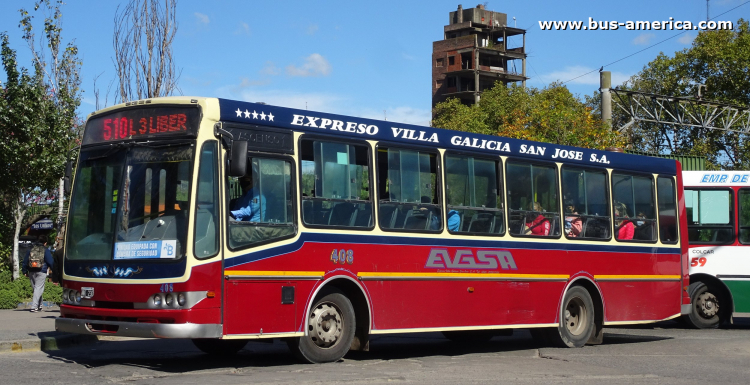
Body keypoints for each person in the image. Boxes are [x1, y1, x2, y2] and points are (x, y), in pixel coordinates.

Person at [22, 235, 54, 313]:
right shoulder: (45, 250)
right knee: (38, 288)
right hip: (41, 271)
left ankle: (39, 305)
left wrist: (24, 271)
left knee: (36, 288)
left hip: (31, 270)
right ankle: (34, 307)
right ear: (45, 243)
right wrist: (54, 270)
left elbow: (25, 260)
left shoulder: (31, 249)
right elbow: (50, 261)